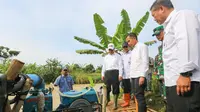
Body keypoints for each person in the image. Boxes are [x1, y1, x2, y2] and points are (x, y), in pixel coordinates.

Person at [150, 0, 200, 111]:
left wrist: (185, 73)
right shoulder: (168, 27)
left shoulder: (182, 16)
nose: (154, 19)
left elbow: (187, 41)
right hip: (173, 83)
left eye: (154, 15)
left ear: (161, 9)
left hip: (185, 81)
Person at [126, 33, 149, 112]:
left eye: (129, 41)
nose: (128, 43)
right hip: (133, 76)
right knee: (136, 96)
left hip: (139, 76)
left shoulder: (142, 46)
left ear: (134, 38)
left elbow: (145, 62)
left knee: (139, 96)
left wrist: (143, 76)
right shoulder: (133, 50)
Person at [101, 43, 122, 110]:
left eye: (112, 49)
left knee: (116, 88)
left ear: (114, 49)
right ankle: (108, 100)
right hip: (107, 73)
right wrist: (102, 74)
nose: (111, 51)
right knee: (107, 88)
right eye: (109, 49)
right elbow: (104, 66)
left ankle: (115, 104)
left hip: (116, 72)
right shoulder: (106, 57)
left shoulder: (118, 56)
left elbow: (120, 66)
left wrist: (120, 74)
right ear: (108, 49)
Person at [152, 26, 166, 99]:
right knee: (162, 87)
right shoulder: (160, 47)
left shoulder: (169, 43)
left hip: (168, 73)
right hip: (160, 72)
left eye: (159, 34)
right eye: (156, 35)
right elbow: (158, 59)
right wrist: (156, 70)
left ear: (163, 31)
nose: (157, 36)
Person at [120, 42, 132, 107]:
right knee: (126, 89)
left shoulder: (132, 53)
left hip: (132, 74)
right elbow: (121, 65)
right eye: (124, 47)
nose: (125, 48)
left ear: (128, 47)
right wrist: (120, 74)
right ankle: (127, 102)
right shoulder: (122, 55)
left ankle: (136, 101)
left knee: (134, 88)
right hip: (125, 75)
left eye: (126, 47)